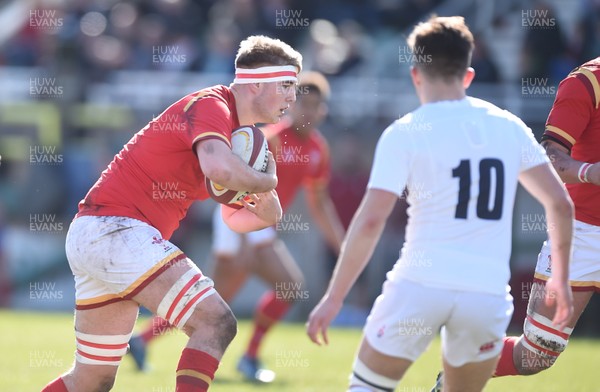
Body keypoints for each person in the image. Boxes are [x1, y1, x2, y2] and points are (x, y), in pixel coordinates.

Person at [306, 16, 574, 392]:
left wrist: (334, 297)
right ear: (468, 75)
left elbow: (369, 222)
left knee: (367, 387)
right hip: (486, 294)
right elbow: (560, 205)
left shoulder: (406, 131)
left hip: (420, 283)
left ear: (416, 75)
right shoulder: (509, 126)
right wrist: (559, 279)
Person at [42, 35, 301, 392]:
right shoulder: (214, 105)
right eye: (287, 84)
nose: (292, 96)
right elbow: (219, 170)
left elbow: (236, 217)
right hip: (118, 231)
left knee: (90, 381)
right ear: (255, 82)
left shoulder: (241, 135)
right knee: (216, 323)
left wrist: (267, 208)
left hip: (101, 234)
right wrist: (267, 180)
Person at [127, 71, 346, 383]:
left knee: (218, 294)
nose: (308, 112)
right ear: (292, 105)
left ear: (323, 110)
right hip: (237, 218)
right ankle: (249, 357)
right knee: (275, 288)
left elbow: (320, 203)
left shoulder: (317, 149)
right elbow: (233, 187)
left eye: (315, 106)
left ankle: (143, 341)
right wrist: (243, 234)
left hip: (259, 226)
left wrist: (341, 244)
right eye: (303, 104)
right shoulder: (268, 139)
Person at [490, 57, 600, 379]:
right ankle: (462, 367)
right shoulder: (587, 82)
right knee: (535, 355)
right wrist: (591, 172)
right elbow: (549, 158)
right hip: (580, 233)